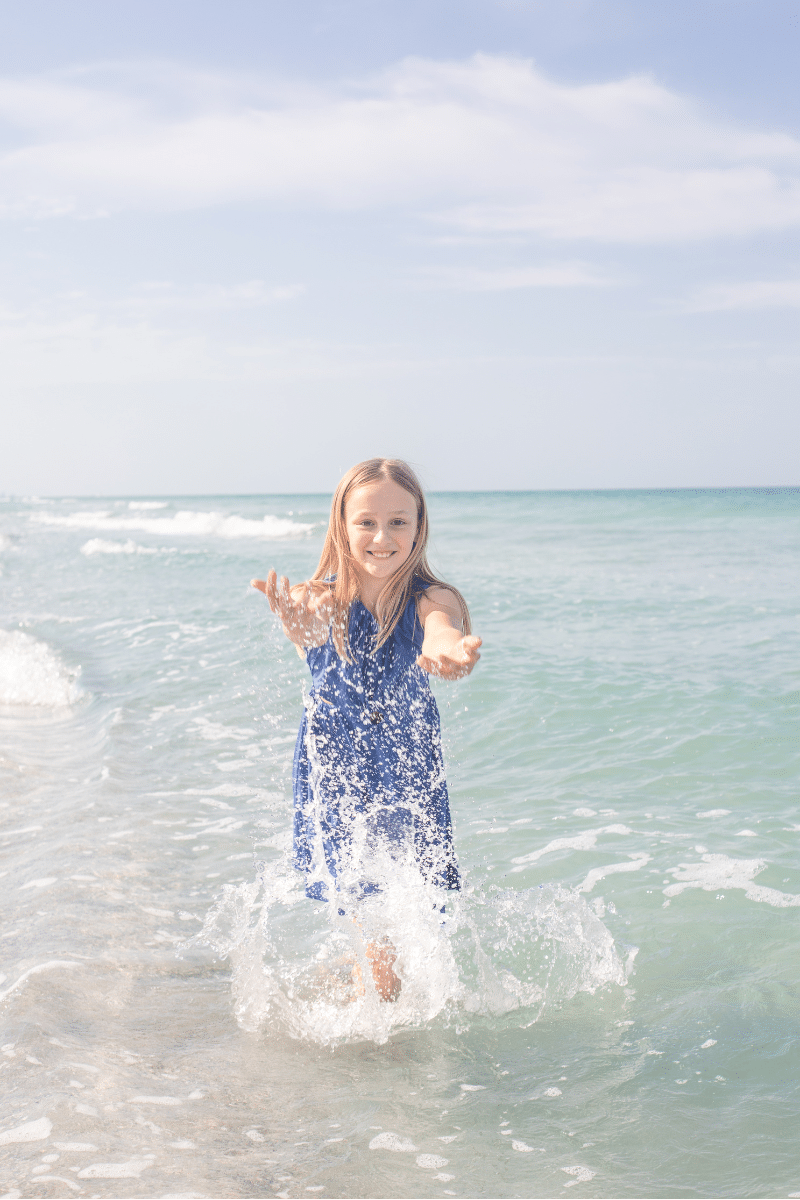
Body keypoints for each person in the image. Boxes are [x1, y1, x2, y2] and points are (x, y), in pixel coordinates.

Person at [251, 458, 481, 1001]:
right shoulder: (320, 598)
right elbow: (307, 630)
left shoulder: (430, 598)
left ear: (419, 526)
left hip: (405, 770)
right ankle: (374, 1015)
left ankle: (375, 1016)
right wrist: (299, 626)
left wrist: (450, 650)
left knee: (397, 905)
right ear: (342, 525)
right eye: (366, 522)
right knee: (362, 905)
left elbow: (442, 632)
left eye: (398, 522)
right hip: (336, 769)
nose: (382, 537)